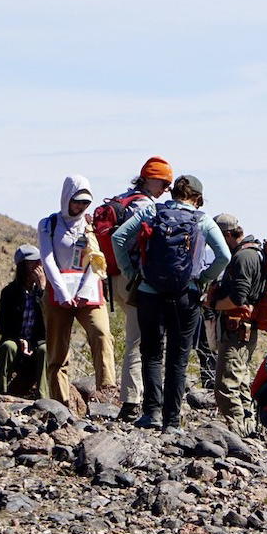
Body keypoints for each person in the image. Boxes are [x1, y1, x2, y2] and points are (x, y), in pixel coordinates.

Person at [112, 174, 229, 432]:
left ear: (173, 193)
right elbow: (224, 256)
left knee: (151, 353)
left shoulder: (153, 211)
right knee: (178, 358)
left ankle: (151, 413)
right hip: (185, 295)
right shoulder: (203, 220)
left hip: (149, 291)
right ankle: (172, 421)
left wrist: (131, 273)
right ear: (197, 198)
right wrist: (202, 280)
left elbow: (118, 238)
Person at [93, 157, 172, 423]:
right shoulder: (144, 205)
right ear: (148, 178)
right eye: (163, 182)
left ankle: (134, 398)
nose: (165, 189)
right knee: (138, 341)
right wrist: (132, 272)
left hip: (116, 278)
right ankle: (131, 402)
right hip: (132, 280)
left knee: (136, 339)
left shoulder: (124, 198)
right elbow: (120, 238)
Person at [37, 175, 117, 407]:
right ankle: (60, 404)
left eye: (85, 202)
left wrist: (85, 289)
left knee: (102, 334)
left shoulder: (91, 226)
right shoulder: (48, 224)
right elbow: (48, 258)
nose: (81, 207)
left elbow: (97, 260)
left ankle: (107, 392)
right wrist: (62, 292)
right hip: (58, 295)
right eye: (77, 201)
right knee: (57, 351)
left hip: (88, 292)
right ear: (66, 198)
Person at [206, 214, 264, 436]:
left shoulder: (243, 257)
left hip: (236, 329)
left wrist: (213, 303)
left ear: (227, 235)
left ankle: (238, 431)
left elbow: (239, 298)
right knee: (239, 381)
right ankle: (248, 428)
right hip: (243, 329)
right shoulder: (251, 253)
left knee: (225, 385)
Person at [0, 246, 48, 397]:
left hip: (39, 343)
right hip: (16, 342)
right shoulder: (9, 292)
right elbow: (2, 323)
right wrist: (18, 340)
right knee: (7, 347)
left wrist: (42, 289)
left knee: (46, 350)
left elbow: (51, 319)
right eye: (33, 262)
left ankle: (43, 396)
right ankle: (1, 393)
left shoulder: (45, 291)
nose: (38, 266)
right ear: (23, 267)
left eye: (39, 262)